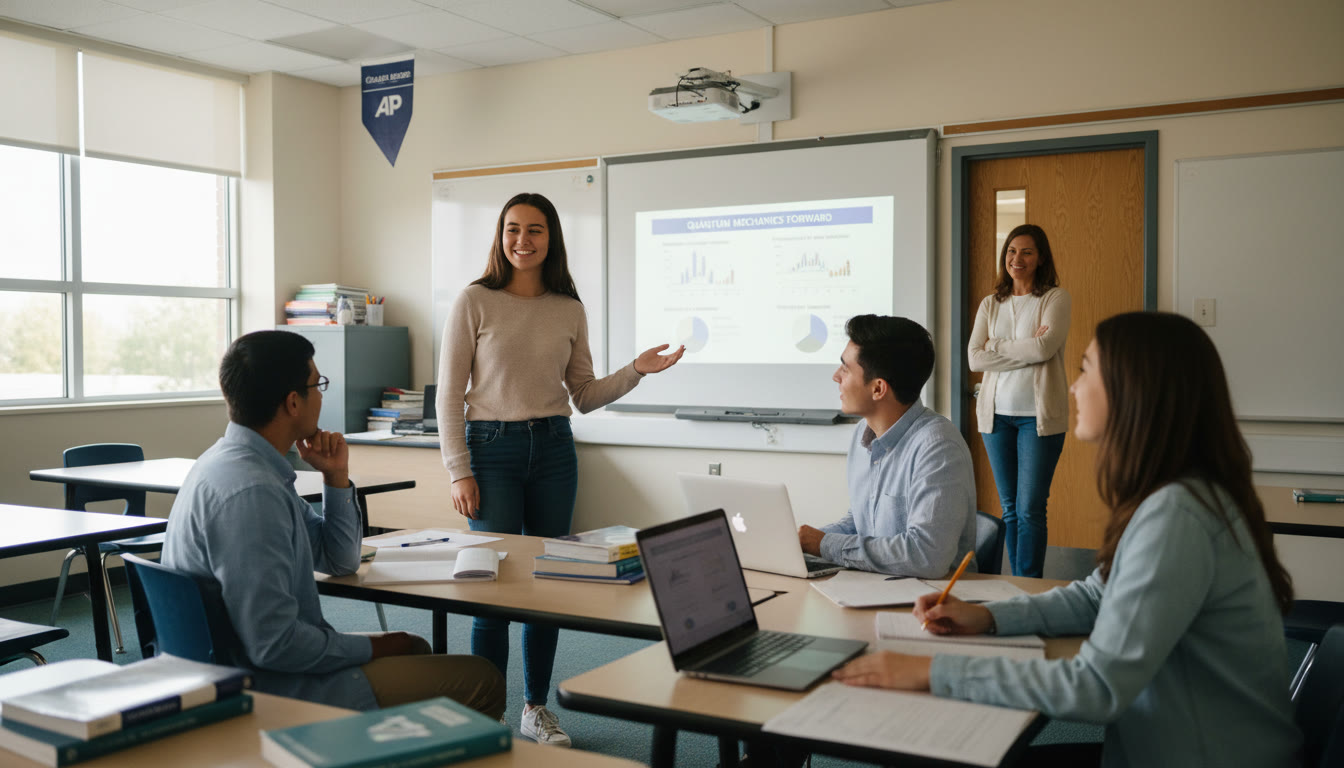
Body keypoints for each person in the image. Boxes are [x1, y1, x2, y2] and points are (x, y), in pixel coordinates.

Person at [832, 312, 1302, 768]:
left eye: (1085, 371)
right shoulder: (1178, 495)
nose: (1074, 387)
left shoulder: (1178, 514)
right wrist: (986, 617)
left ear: (1134, 392)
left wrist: (929, 671)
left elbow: (1096, 686)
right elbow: (1097, 598)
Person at [436, 192, 684, 747]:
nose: (523, 240)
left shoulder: (568, 307)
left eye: (536, 230)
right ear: (500, 237)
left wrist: (636, 371)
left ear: (552, 239)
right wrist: (459, 470)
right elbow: (450, 394)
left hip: (552, 447)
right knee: (493, 584)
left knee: (546, 584)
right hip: (490, 447)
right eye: (512, 230)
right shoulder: (474, 300)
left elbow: (585, 395)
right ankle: (485, 714)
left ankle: (535, 708)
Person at [163, 330, 505, 717]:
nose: (322, 395)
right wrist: (375, 646)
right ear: (293, 402)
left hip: (237, 662)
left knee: (416, 649)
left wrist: (336, 478)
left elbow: (339, 561)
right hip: (268, 686)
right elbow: (275, 646)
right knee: (482, 678)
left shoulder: (235, 465)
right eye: (318, 384)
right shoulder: (252, 493)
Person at [797, 315, 977, 578]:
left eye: (845, 369)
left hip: (933, 603)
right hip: (879, 589)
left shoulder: (939, 447)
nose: (836, 376)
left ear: (878, 388)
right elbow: (862, 522)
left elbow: (926, 555)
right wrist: (800, 544)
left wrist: (824, 544)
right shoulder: (863, 433)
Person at [968, 223, 1071, 578]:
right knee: (1009, 508)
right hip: (996, 417)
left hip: (1037, 418)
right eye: (1012, 251)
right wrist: (1021, 350)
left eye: (1027, 251)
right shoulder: (990, 303)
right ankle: (1012, 585)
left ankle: (1029, 585)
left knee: (1029, 509)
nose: (1017, 258)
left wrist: (995, 345)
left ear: (1040, 258)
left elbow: (1044, 348)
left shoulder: (1055, 299)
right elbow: (974, 359)